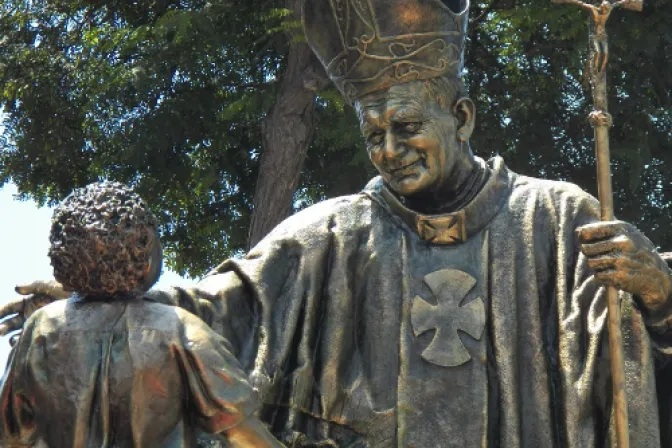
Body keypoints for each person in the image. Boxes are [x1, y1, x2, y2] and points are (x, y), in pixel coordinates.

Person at [3, 0, 672, 446]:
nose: (389, 149)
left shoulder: (556, 219)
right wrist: (103, 299)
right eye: (373, 132)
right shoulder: (330, 234)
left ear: (461, 117)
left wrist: (659, 294)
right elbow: (213, 310)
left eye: (408, 127)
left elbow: (634, 367)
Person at [0, 182, 282, 448]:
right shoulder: (181, 330)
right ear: (144, 251)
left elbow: (9, 434)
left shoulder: (40, 329)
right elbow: (243, 434)